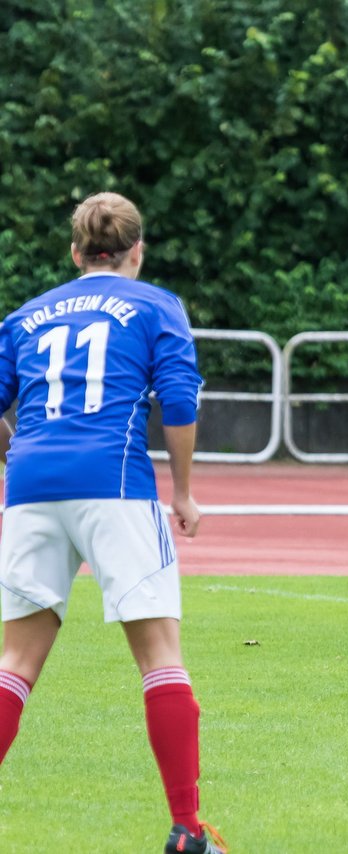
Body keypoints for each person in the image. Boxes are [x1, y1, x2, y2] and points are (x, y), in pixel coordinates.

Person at [0, 193, 226, 853]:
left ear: (75, 254)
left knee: (15, 663)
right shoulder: (157, 305)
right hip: (116, 484)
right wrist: (183, 492)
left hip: (32, 487)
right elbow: (179, 401)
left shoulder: (28, 314)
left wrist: (16, 457)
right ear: (137, 250)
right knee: (160, 658)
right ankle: (187, 829)